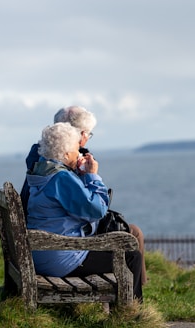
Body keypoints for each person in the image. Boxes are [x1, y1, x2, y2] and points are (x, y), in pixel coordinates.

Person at [20, 105, 147, 285]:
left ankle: (131, 304)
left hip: (41, 248)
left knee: (130, 237)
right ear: (65, 152)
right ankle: (132, 309)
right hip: (60, 256)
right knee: (131, 256)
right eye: (75, 147)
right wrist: (91, 176)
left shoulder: (40, 169)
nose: (80, 150)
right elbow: (96, 211)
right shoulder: (61, 177)